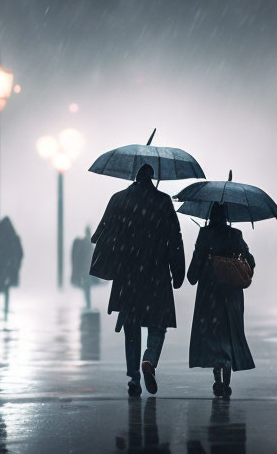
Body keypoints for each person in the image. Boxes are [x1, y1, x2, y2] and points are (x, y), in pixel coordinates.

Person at [90, 163, 185, 396]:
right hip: (156, 273)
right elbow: (175, 239)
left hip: (128, 274)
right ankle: (149, 359)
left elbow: (101, 234)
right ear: (152, 176)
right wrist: (178, 271)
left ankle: (133, 378)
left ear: (134, 174)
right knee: (157, 324)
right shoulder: (163, 202)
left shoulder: (119, 199)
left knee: (131, 328)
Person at [186, 202, 255, 397]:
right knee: (228, 334)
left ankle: (217, 379)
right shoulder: (235, 235)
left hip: (209, 292)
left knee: (213, 335)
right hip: (231, 294)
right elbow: (251, 262)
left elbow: (194, 271)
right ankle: (226, 377)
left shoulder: (205, 234)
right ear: (226, 216)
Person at [71, 225, 97, 310]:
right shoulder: (88, 243)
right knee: (87, 287)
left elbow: (80, 257)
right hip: (87, 270)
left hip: (86, 270)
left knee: (86, 287)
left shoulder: (85, 242)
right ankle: (88, 305)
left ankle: (88, 305)